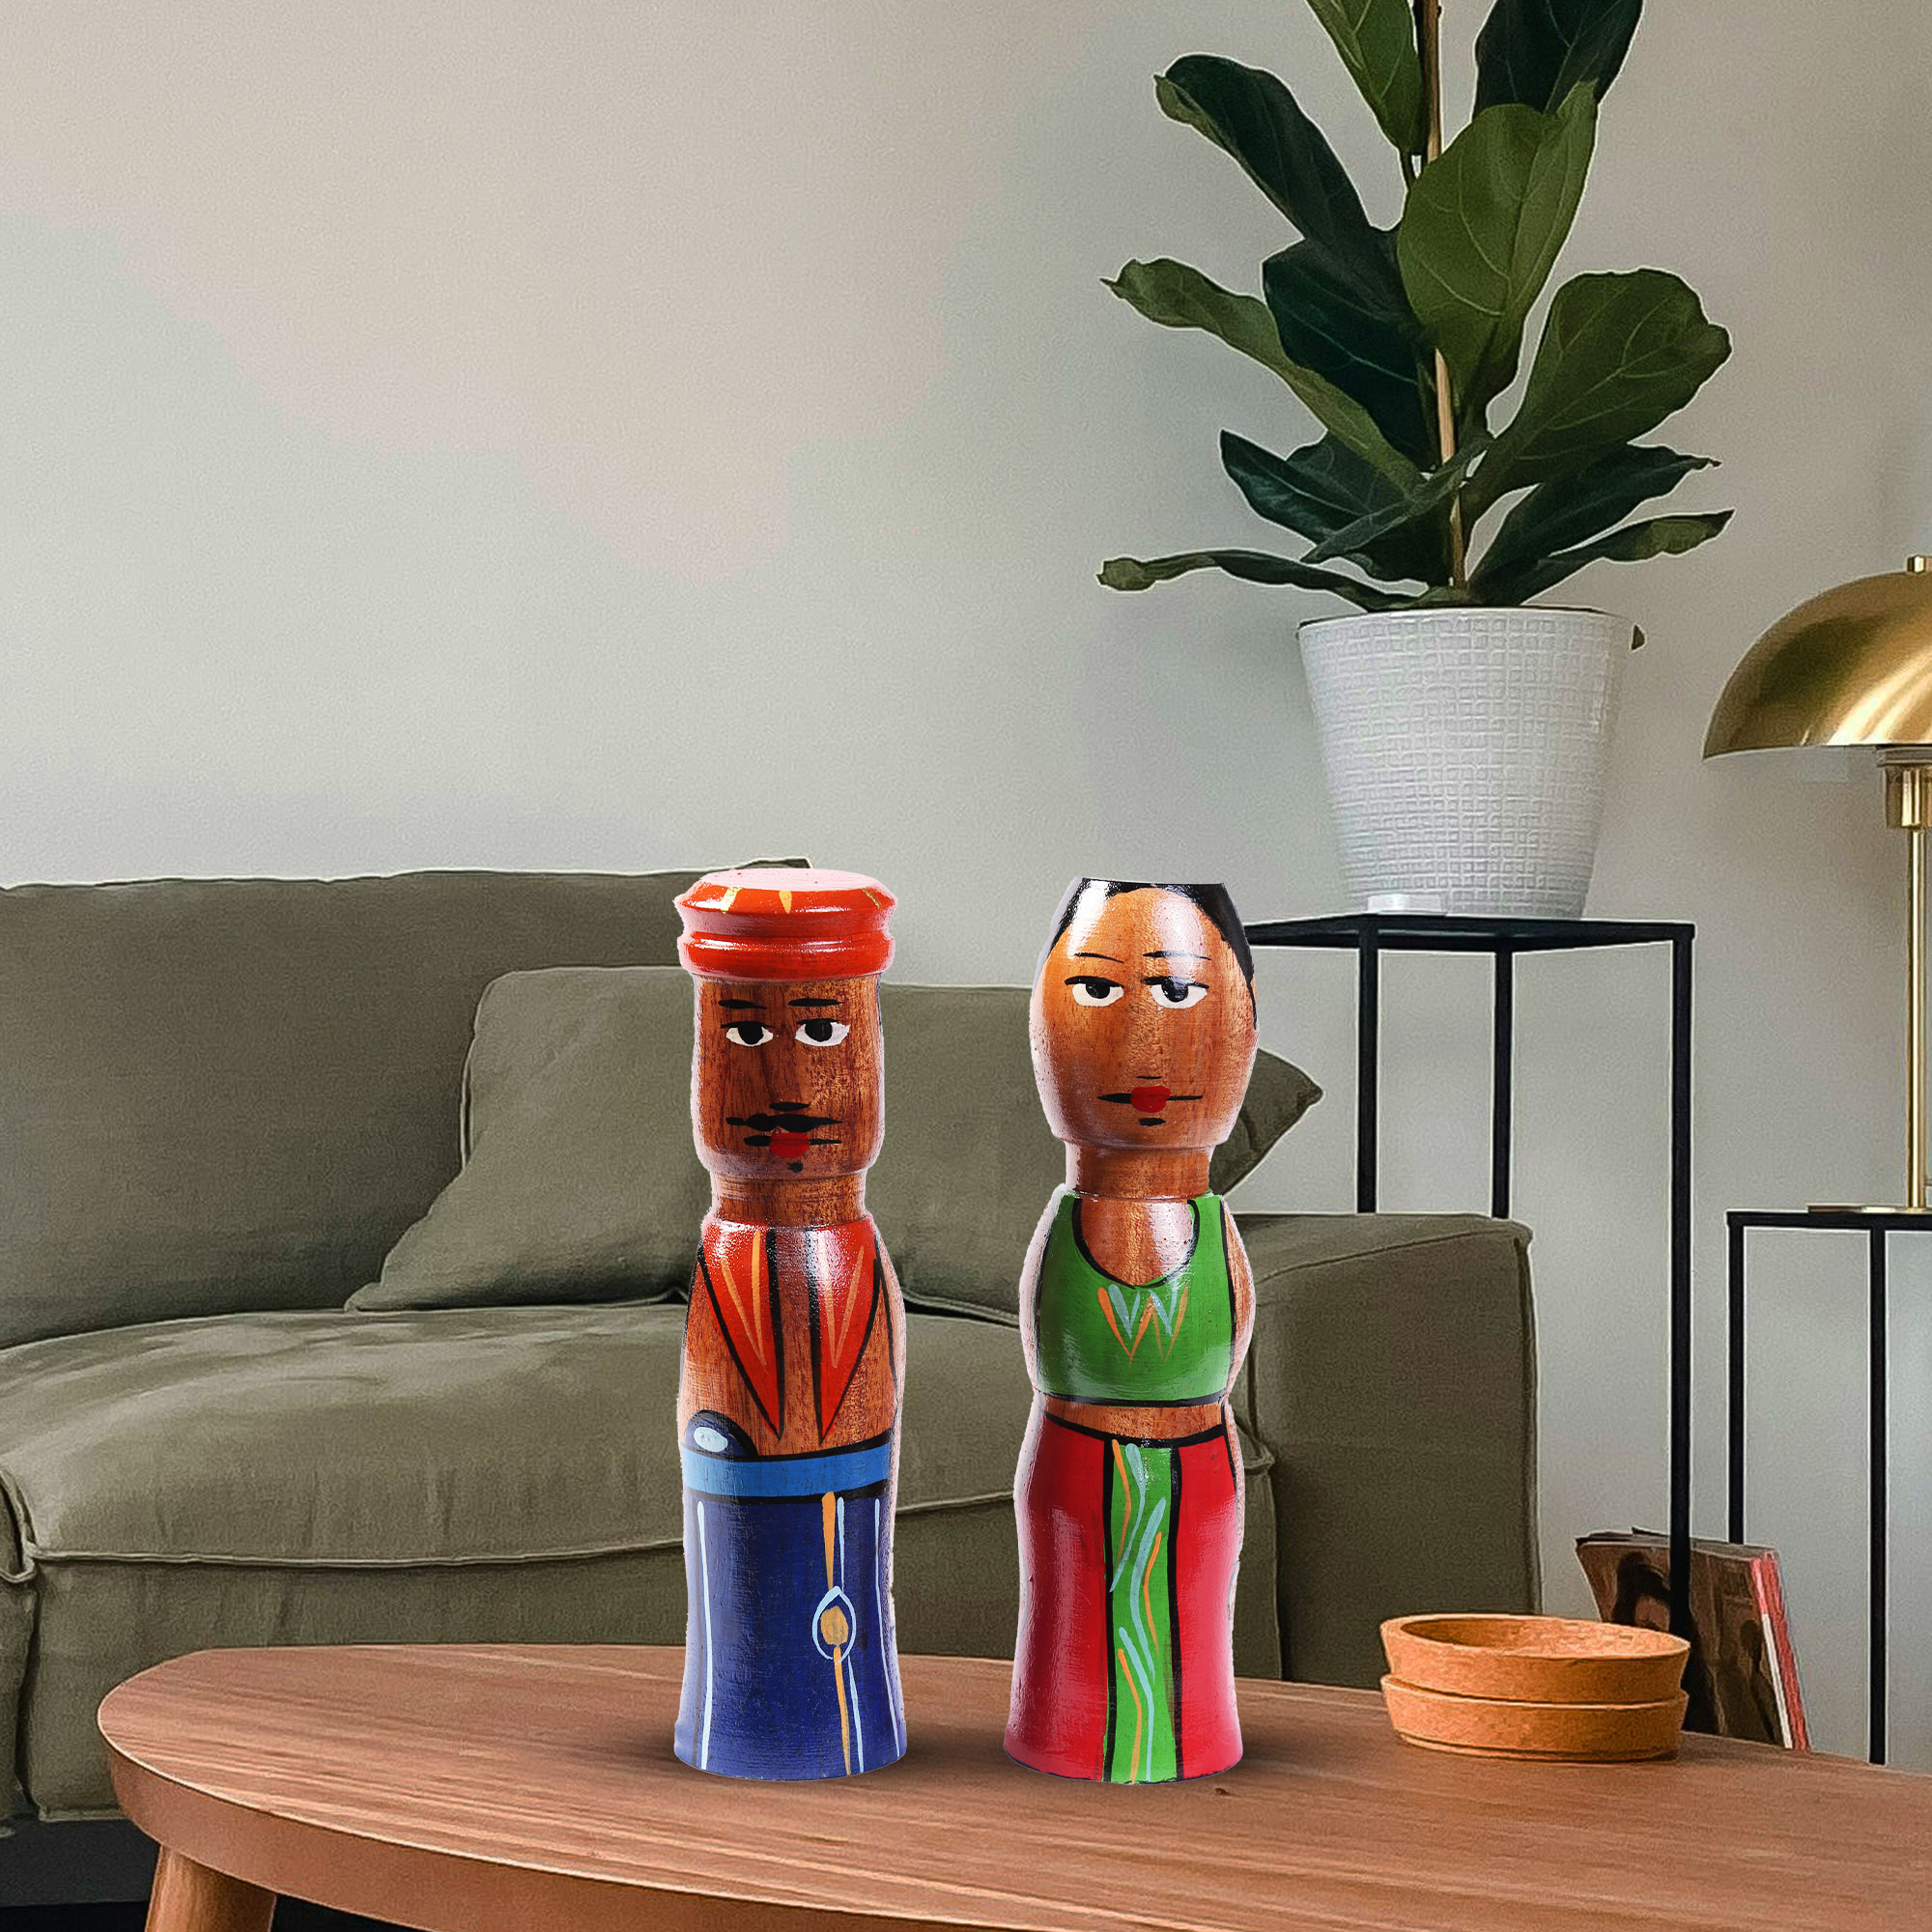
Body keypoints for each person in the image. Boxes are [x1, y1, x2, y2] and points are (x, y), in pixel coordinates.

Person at [1007, 878, 1259, 1783]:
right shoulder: (1074, 1218)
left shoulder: (1206, 1222)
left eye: (1181, 990)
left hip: (1196, 1461)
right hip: (1075, 1455)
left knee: (1186, 1625)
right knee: (1077, 1615)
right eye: (1099, 989)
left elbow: (1216, 1352)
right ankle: (1070, 1736)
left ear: (1243, 1028)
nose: (1145, 1040)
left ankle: (1184, 1740)